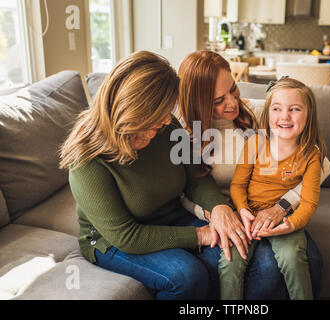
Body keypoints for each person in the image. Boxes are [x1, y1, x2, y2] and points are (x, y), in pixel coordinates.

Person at [59, 50, 243, 300]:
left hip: (172, 218)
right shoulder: (87, 161)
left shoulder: (167, 127)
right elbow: (127, 236)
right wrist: (200, 234)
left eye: (168, 112)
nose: (167, 121)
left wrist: (220, 207)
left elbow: (195, 178)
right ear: (132, 111)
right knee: (187, 275)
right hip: (113, 241)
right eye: (158, 116)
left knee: (234, 255)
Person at [177, 50, 330, 299]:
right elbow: (183, 191)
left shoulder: (263, 112)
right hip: (222, 215)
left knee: (309, 258)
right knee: (263, 268)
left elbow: (323, 164)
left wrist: (283, 206)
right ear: (197, 102)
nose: (232, 103)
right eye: (218, 100)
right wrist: (212, 213)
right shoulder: (187, 135)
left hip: (268, 208)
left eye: (233, 89)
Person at [222, 77, 327, 300]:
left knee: (293, 258)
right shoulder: (255, 143)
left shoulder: (311, 155)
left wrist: (290, 226)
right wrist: (242, 211)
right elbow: (238, 185)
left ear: (309, 115)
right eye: (277, 109)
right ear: (268, 113)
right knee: (230, 259)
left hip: (284, 220)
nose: (285, 116)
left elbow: (308, 203)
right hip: (246, 216)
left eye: (295, 109)